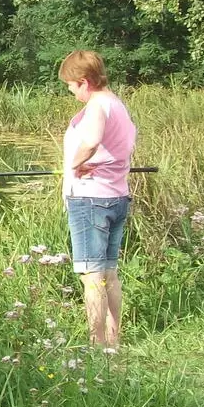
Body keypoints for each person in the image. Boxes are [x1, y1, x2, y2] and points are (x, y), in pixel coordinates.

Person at [60, 50, 136, 349]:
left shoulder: (96, 106)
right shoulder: (118, 105)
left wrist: (75, 165)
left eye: (70, 84)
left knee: (92, 278)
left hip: (91, 200)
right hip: (116, 196)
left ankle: (97, 346)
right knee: (109, 274)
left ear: (84, 82)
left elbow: (91, 142)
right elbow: (120, 147)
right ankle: (113, 341)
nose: (69, 90)